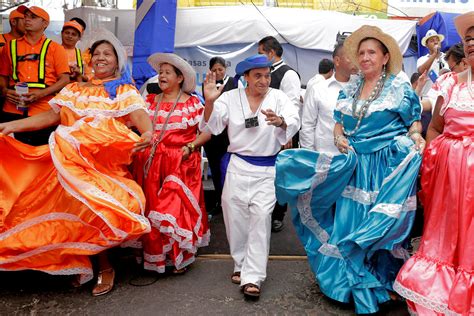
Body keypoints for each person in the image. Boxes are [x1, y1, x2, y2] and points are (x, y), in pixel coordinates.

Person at [275, 25, 425, 314]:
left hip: (385, 167)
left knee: (381, 227)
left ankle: (385, 282)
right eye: (362, 53)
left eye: (372, 52)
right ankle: (353, 283)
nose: (366, 57)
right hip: (355, 166)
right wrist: (338, 137)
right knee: (351, 224)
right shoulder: (352, 87)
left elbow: (413, 120)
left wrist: (416, 137)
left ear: (384, 57)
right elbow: (340, 122)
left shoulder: (399, 87)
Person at [0, 29, 153, 296]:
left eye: (108, 54)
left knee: (99, 211)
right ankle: (80, 262)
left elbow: (140, 117)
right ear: (90, 59)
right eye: (97, 54)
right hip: (69, 163)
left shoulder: (123, 91)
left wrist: (148, 132)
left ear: (117, 62)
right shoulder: (74, 89)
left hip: (103, 167)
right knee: (70, 216)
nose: (101, 58)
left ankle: (105, 266)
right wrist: (12, 124)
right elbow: (50, 117)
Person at [394, 11, 474, 316]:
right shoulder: (450, 84)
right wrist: (439, 156)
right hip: (452, 182)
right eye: (468, 39)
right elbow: (435, 128)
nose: (471, 43)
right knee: (448, 241)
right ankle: (443, 296)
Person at [200, 54, 300, 298]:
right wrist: (210, 101)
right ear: (245, 77)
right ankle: (239, 263)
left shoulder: (278, 98)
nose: (264, 80)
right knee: (235, 219)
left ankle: (253, 276)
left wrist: (282, 122)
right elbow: (211, 127)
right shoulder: (230, 98)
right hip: (237, 166)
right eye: (258, 76)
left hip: (267, 169)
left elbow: (294, 119)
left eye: (267, 75)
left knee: (261, 218)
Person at [133, 53, 211, 275]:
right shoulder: (148, 102)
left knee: (175, 211)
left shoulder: (192, 103)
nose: (162, 76)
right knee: (151, 210)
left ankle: (179, 256)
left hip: (180, 165)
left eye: (167, 73)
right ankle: (154, 256)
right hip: (150, 164)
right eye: (160, 72)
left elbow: (207, 131)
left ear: (179, 78)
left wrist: (191, 147)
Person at [0, 5, 69, 146]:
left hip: (43, 111)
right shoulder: (9, 46)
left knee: (40, 153)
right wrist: (5, 91)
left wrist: (41, 94)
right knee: (10, 155)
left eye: (33, 17)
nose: (27, 20)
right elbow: (3, 76)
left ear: (45, 23)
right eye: (25, 16)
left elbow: (65, 79)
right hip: (12, 110)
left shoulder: (56, 48)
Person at [258, 36, 302, 232]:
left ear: (270, 53)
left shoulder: (288, 74)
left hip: (283, 133)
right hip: (263, 133)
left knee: (280, 175)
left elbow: (292, 105)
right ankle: (264, 210)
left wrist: (288, 132)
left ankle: (278, 214)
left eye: (260, 53)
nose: (258, 57)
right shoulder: (261, 74)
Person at [300, 42, 357, 153]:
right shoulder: (319, 89)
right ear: (337, 61)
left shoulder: (362, 88)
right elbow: (308, 124)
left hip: (356, 158)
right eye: (350, 57)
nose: (355, 61)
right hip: (325, 156)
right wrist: (310, 155)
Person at [202, 56, 240, 217]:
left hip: (229, 136)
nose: (218, 72)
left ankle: (232, 203)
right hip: (212, 136)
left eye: (220, 69)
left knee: (230, 170)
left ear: (225, 69)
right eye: (215, 70)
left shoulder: (234, 83)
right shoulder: (208, 85)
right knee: (216, 170)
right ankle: (219, 201)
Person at [0, 9, 25, 118]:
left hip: (20, 92)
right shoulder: (1, 40)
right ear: (13, 22)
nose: (28, 22)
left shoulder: (30, 44)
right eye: (24, 19)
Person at [417, 29, 450, 97]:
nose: (435, 42)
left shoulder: (447, 58)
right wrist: (434, 54)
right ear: (426, 45)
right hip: (427, 97)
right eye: (432, 41)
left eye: (437, 40)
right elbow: (421, 71)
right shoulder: (422, 59)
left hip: (444, 97)